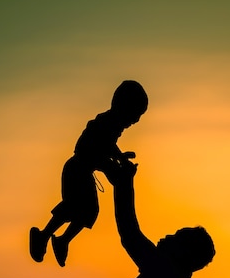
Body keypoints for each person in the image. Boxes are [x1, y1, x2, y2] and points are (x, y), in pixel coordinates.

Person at [29, 80, 148, 267]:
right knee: (73, 207)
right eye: (135, 115)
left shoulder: (112, 126)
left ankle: (62, 240)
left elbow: (108, 146)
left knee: (89, 211)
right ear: (123, 107)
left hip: (84, 172)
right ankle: (43, 235)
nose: (135, 121)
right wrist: (112, 167)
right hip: (76, 170)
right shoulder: (104, 122)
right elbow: (96, 148)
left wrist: (119, 158)